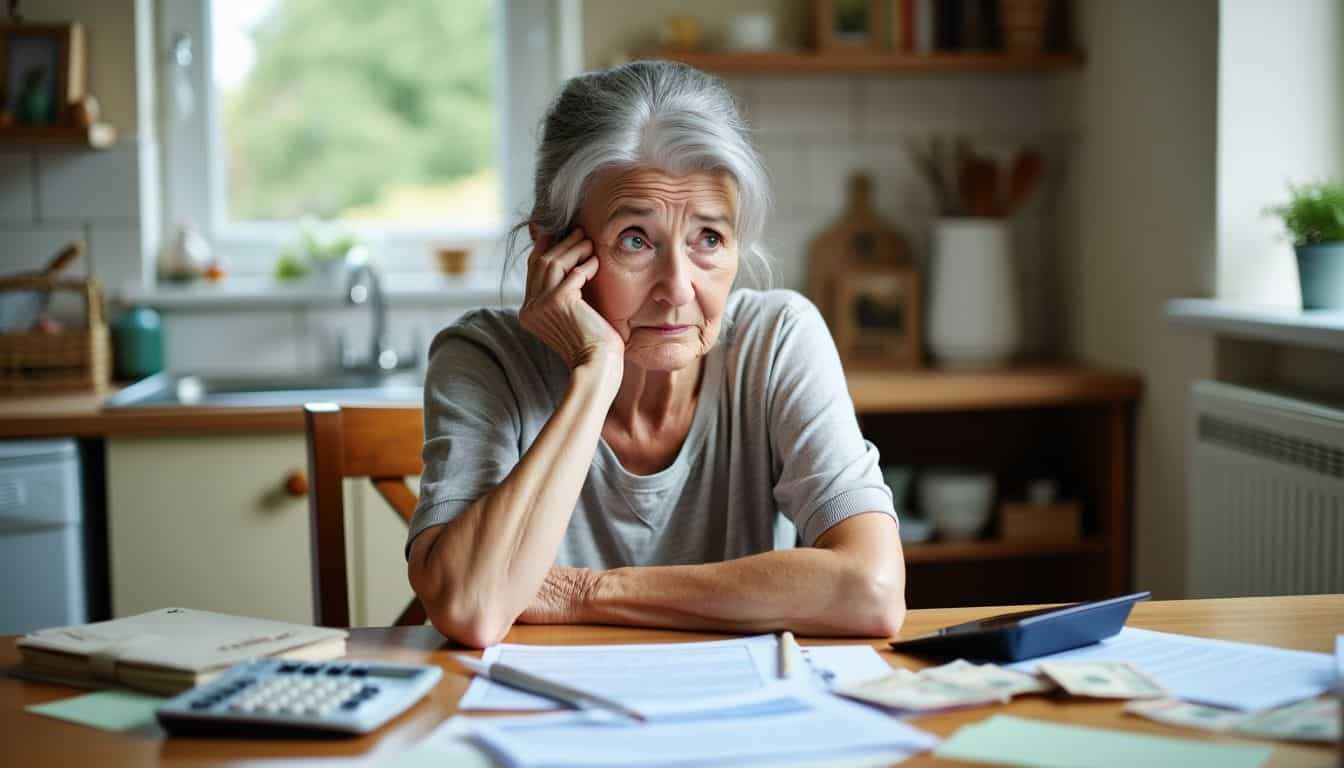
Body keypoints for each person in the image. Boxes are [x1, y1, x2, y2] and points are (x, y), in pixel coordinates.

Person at [407, 60, 905, 648]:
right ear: (553, 251)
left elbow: (871, 591)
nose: (678, 288)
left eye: (709, 239)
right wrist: (595, 375)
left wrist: (584, 593)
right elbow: (472, 606)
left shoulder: (777, 340)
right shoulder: (484, 358)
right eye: (635, 241)